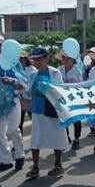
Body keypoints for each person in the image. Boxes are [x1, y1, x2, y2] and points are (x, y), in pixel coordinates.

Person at [23, 47, 71, 179]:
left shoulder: (54, 73)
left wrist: (46, 90)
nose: (38, 62)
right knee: (36, 139)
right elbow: (27, 92)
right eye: (35, 59)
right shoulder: (33, 75)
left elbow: (60, 90)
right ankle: (35, 167)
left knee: (57, 137)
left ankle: (58, 164)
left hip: (52, 110)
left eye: (40, 59)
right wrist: (19, 88)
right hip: (37, 111)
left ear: (46, 58)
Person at [0, 34, 26, 172]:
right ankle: (5, 160)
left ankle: (20, 154)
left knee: (13, 129)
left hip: (11, 99)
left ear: (4, 47)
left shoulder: (13, 61)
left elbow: (23, 79)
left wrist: (13, 81)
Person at [56, 51, 83, 149]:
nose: (66, 60)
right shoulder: (59, 70)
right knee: (63, 118)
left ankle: (77, 138)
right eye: (64, 58)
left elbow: (81, 84)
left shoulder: (77, 69)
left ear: (73, 60)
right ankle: (66, 136)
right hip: (63, 98)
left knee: (76, 119)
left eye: (68, 58)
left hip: (75, 98)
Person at [18, 50, 36, 134]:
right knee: (19, 123)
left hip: (30, 99)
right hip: (20, 98)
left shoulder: (32, 69)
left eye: (23, 58)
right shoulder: (15, 69)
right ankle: (19, 141)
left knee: (35, 120)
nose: (21, 60)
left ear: (26, 59)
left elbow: (34, 83)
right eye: (19, 59)